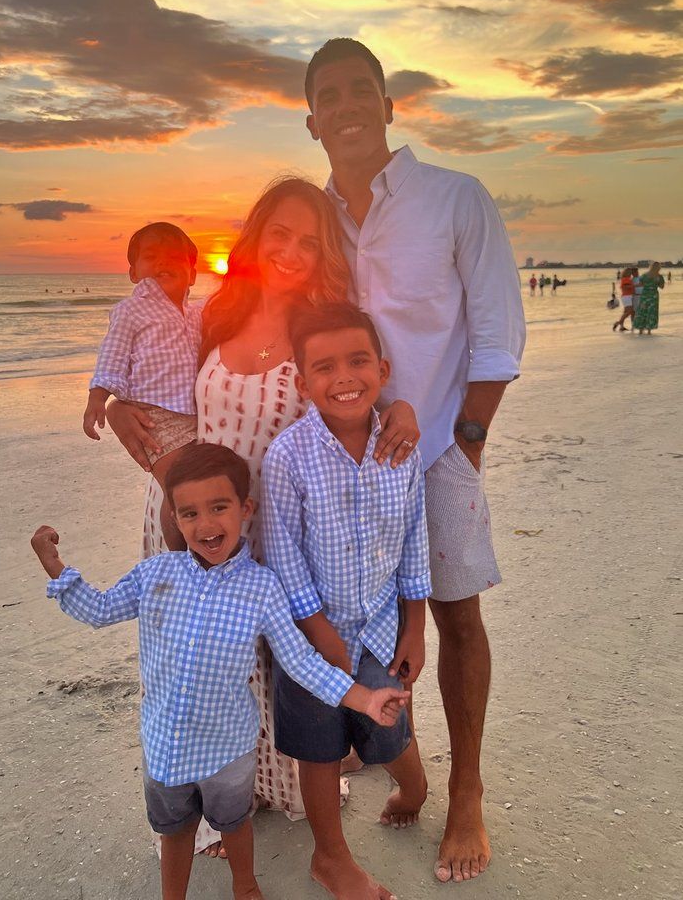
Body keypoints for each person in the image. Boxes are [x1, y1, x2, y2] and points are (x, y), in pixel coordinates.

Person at [105, 177, 420, 857]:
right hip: (189, 519)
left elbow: (358, 391)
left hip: (275, 529)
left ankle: (287, 786)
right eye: (278, 232)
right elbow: (156, 384)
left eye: (309, 240)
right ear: (255, 236)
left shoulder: (322, 323)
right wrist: (114, 402)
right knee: (203, 667)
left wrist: (402, 409)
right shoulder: (213, 315)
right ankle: (224, 798)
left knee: (275, 668)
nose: (291, 250)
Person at [303, 37, 526, 884]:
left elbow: (499, 335)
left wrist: (464, 445)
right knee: (355, 617)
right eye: (334, 94)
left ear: (391, 106)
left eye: (365, 90)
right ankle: (403, 760)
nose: (351, 105)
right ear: (312, 118)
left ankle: (465, 793)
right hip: (340, 460)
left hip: (436, 452)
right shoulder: (315, 220)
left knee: (456, 619)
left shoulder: (454, 199)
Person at [30, 442, 409, 900]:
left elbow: (301, 662)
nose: (206, 525)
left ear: (244, 508)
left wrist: (365, 699)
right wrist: (56, 569)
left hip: (228, 749)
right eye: (189, 513)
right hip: (164, 746)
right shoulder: (156, 574)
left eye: (219, 508)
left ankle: (245, 886)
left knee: (234, 821)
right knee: (175, 829)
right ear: (173, 517)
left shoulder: (262, 587)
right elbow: (101, 609)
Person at [261, 302, 431, 900]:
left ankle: (414, 791)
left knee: (389, 726)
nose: (344, 377)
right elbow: (283, 551)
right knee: (318, 745)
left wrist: (416, 626)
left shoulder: (400, 450)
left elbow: (415, 539)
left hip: (383, 627)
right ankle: (330, 857)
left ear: (382, 369)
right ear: (303, 383)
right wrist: (318, 632)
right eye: (325, 367)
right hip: (310, 639)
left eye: (358, 361)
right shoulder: (288, 456)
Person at [83, 222, 201, 550]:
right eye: (151, 257)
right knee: (179, 489)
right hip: (152, 418)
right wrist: (98, 397)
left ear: (192, 273)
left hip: (192, 419)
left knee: (193, 488)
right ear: (133, 272)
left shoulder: (195, 314)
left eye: (174, 257)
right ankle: (182, 558)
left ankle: (191, 554)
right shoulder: (131, 311)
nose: (163, 263)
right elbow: (113, 354)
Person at [632, 261, 665, 334]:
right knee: (651, 312)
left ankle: (640, 330)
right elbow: (662, 287)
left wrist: (632, 286)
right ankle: (649, 331)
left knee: (642, 311)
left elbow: (640, 284)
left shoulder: (644, 275)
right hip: (653, 296)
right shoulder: (659, 276)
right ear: (658, 268)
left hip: (645, 295)